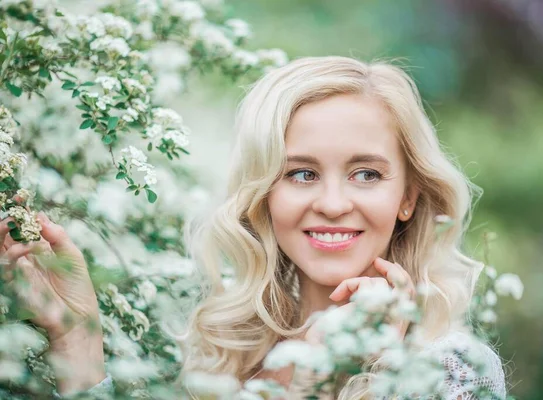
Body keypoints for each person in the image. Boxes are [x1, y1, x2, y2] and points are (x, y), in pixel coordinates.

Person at [0, 56, 506, 399]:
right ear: (264, 195)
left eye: (366, 174)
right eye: (301, 173)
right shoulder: (229, 358)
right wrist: (76, 340)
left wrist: (382, 373)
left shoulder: (452, 369)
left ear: (408, 198)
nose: (332, 203)